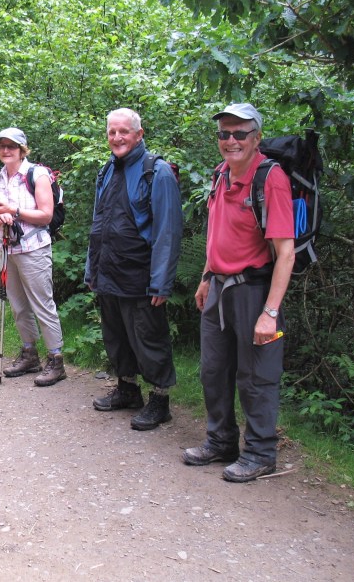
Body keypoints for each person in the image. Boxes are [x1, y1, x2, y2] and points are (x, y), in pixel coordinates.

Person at [183, 103, 294, 482]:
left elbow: (285, 253)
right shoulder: (220, 174)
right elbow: (217, 234)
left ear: (256, 137)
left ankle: (261, 453)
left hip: (254, 291)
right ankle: (221, 441)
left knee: (256, 376)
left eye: (239, 133)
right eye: (224, 134)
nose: (230, 141)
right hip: (218, 286)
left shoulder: (271, 179)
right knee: (213, 370)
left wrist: (271, 312)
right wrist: (205, 277)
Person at [86, 108, 183, 431]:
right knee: (116, 337)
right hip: (108, 271)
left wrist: (161, 283)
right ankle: (127, 390)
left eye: (124, 132)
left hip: (140, 274)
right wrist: (92, 268)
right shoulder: (106, 171)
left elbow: (168, 231)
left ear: (139, 134)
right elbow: (97, 224)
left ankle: (160, 401)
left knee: (149, 339)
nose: (117, 138)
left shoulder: (156, 172)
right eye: (112, 132)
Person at [0, 127, 67, 387]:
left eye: (12, 146)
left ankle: (56, 360)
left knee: (43, 304)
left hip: (34, 248)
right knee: (18, 306)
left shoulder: (37, 175)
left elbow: (46, 214)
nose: (6, 150)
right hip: (8, 249)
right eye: (2, 146)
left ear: (22, 150)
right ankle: (30, 354)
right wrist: (1, 217)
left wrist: (15, 211)